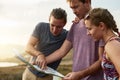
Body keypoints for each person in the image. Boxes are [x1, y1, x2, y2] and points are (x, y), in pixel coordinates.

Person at [39, 0, 104, 80]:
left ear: (87, 2)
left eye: (76, 7)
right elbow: (61, 51)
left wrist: (80, 74)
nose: (74, 11)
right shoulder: (75, 25)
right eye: (71, 8)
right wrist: (41, 61)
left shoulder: (101, 25)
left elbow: (102, 60)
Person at [22, 8, 68, 80]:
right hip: (29, 73)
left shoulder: (67, 35)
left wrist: (78, 21)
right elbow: (28, 47)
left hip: (46, 77)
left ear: (64, 24)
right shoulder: (41, 27)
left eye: (59, 27)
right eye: (52, 25)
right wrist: (39, 55)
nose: (54, 30)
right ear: (49, 20)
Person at [85, 8, 120, 80]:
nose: (88, 33)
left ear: (101, 26)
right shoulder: (113, 42)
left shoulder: (111, 45)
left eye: (90, 29)